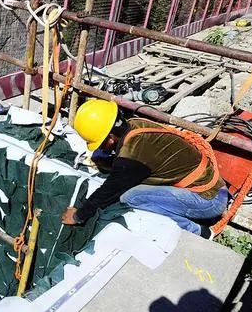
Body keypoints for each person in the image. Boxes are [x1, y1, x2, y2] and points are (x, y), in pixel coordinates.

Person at [61, 99, 228, 239]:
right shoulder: (134, 124)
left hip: (208, 200)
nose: (102, 148)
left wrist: (78, 216)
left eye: (101, 143)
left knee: (130, 197)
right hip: (212, 186)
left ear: (111, 139)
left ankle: (200, 231)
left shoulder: (132, 154)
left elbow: (109, 191)